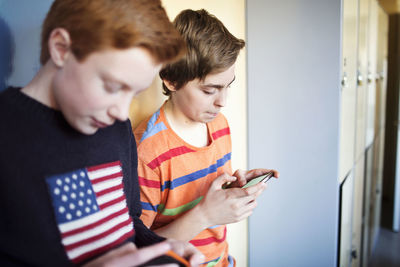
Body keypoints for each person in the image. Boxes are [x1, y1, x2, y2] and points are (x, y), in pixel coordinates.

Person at [0, 0, 204, 266]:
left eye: (134, 93)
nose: (122, 113)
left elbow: (128, 224)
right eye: (112, 86)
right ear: (62, 48)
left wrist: (165, 249)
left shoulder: (117, 130)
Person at [134, 9, 279, 266]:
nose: (223, 102)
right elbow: (138, 250)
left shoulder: (219, 124)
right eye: (209, 90)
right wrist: (205, 215)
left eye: (228, 86)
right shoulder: (147, 152)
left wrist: (233, 189)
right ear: (171, 80)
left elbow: (206, 195)